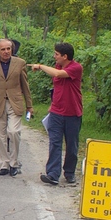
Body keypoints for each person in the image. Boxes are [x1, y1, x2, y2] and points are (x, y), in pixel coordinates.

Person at [30, 43, 83, 185]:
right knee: (55, 143)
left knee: (72, 145)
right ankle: (53, 174)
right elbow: (58, 88)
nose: (54, 57)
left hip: (72, 113)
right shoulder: (58, 66)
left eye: (56, 54)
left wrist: (40, 66)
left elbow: (58, 74)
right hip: (56, 112)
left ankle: (70, 172)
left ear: (65, 56)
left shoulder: (75, 68)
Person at [0, 39, 33, 177]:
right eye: (3, 49)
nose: (6, 51)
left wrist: (29, 105)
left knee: (14, 131)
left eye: (8, 49)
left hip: (14, 102)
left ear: (12, 49)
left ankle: (14, 163)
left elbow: (25, 85)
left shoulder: (20, 63)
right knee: (0, 135)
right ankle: (4, 163)